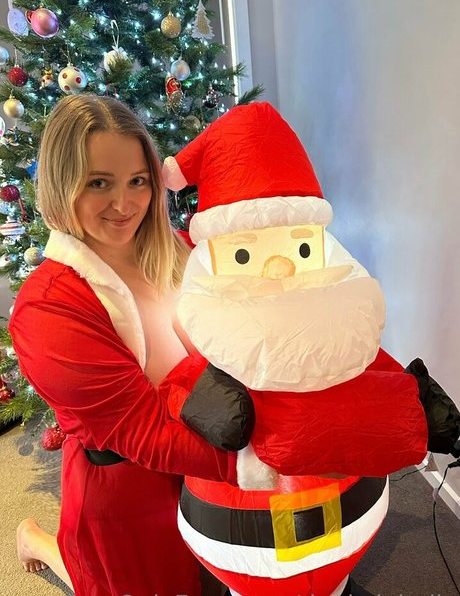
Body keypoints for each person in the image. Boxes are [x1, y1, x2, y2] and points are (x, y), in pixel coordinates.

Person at [162, 102, 460, 596]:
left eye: (301, 248)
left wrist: (423, 403)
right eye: (245, 253)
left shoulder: (340, 333)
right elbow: (177, 385)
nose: (279, 268)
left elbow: (374, 367)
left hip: (345, 506)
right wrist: (203, 401)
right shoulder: (215, 331)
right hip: (241, 526)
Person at [10, 94, 251, 596]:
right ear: (62, 184)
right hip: (131, 496)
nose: (125, 205)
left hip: (207, 466)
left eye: (138, 181)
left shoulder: (176, 248)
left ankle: (40, 541)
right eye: (99, 183)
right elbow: (142, 432)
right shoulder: (47, 309)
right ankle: (36, 539)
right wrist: (269, 460)